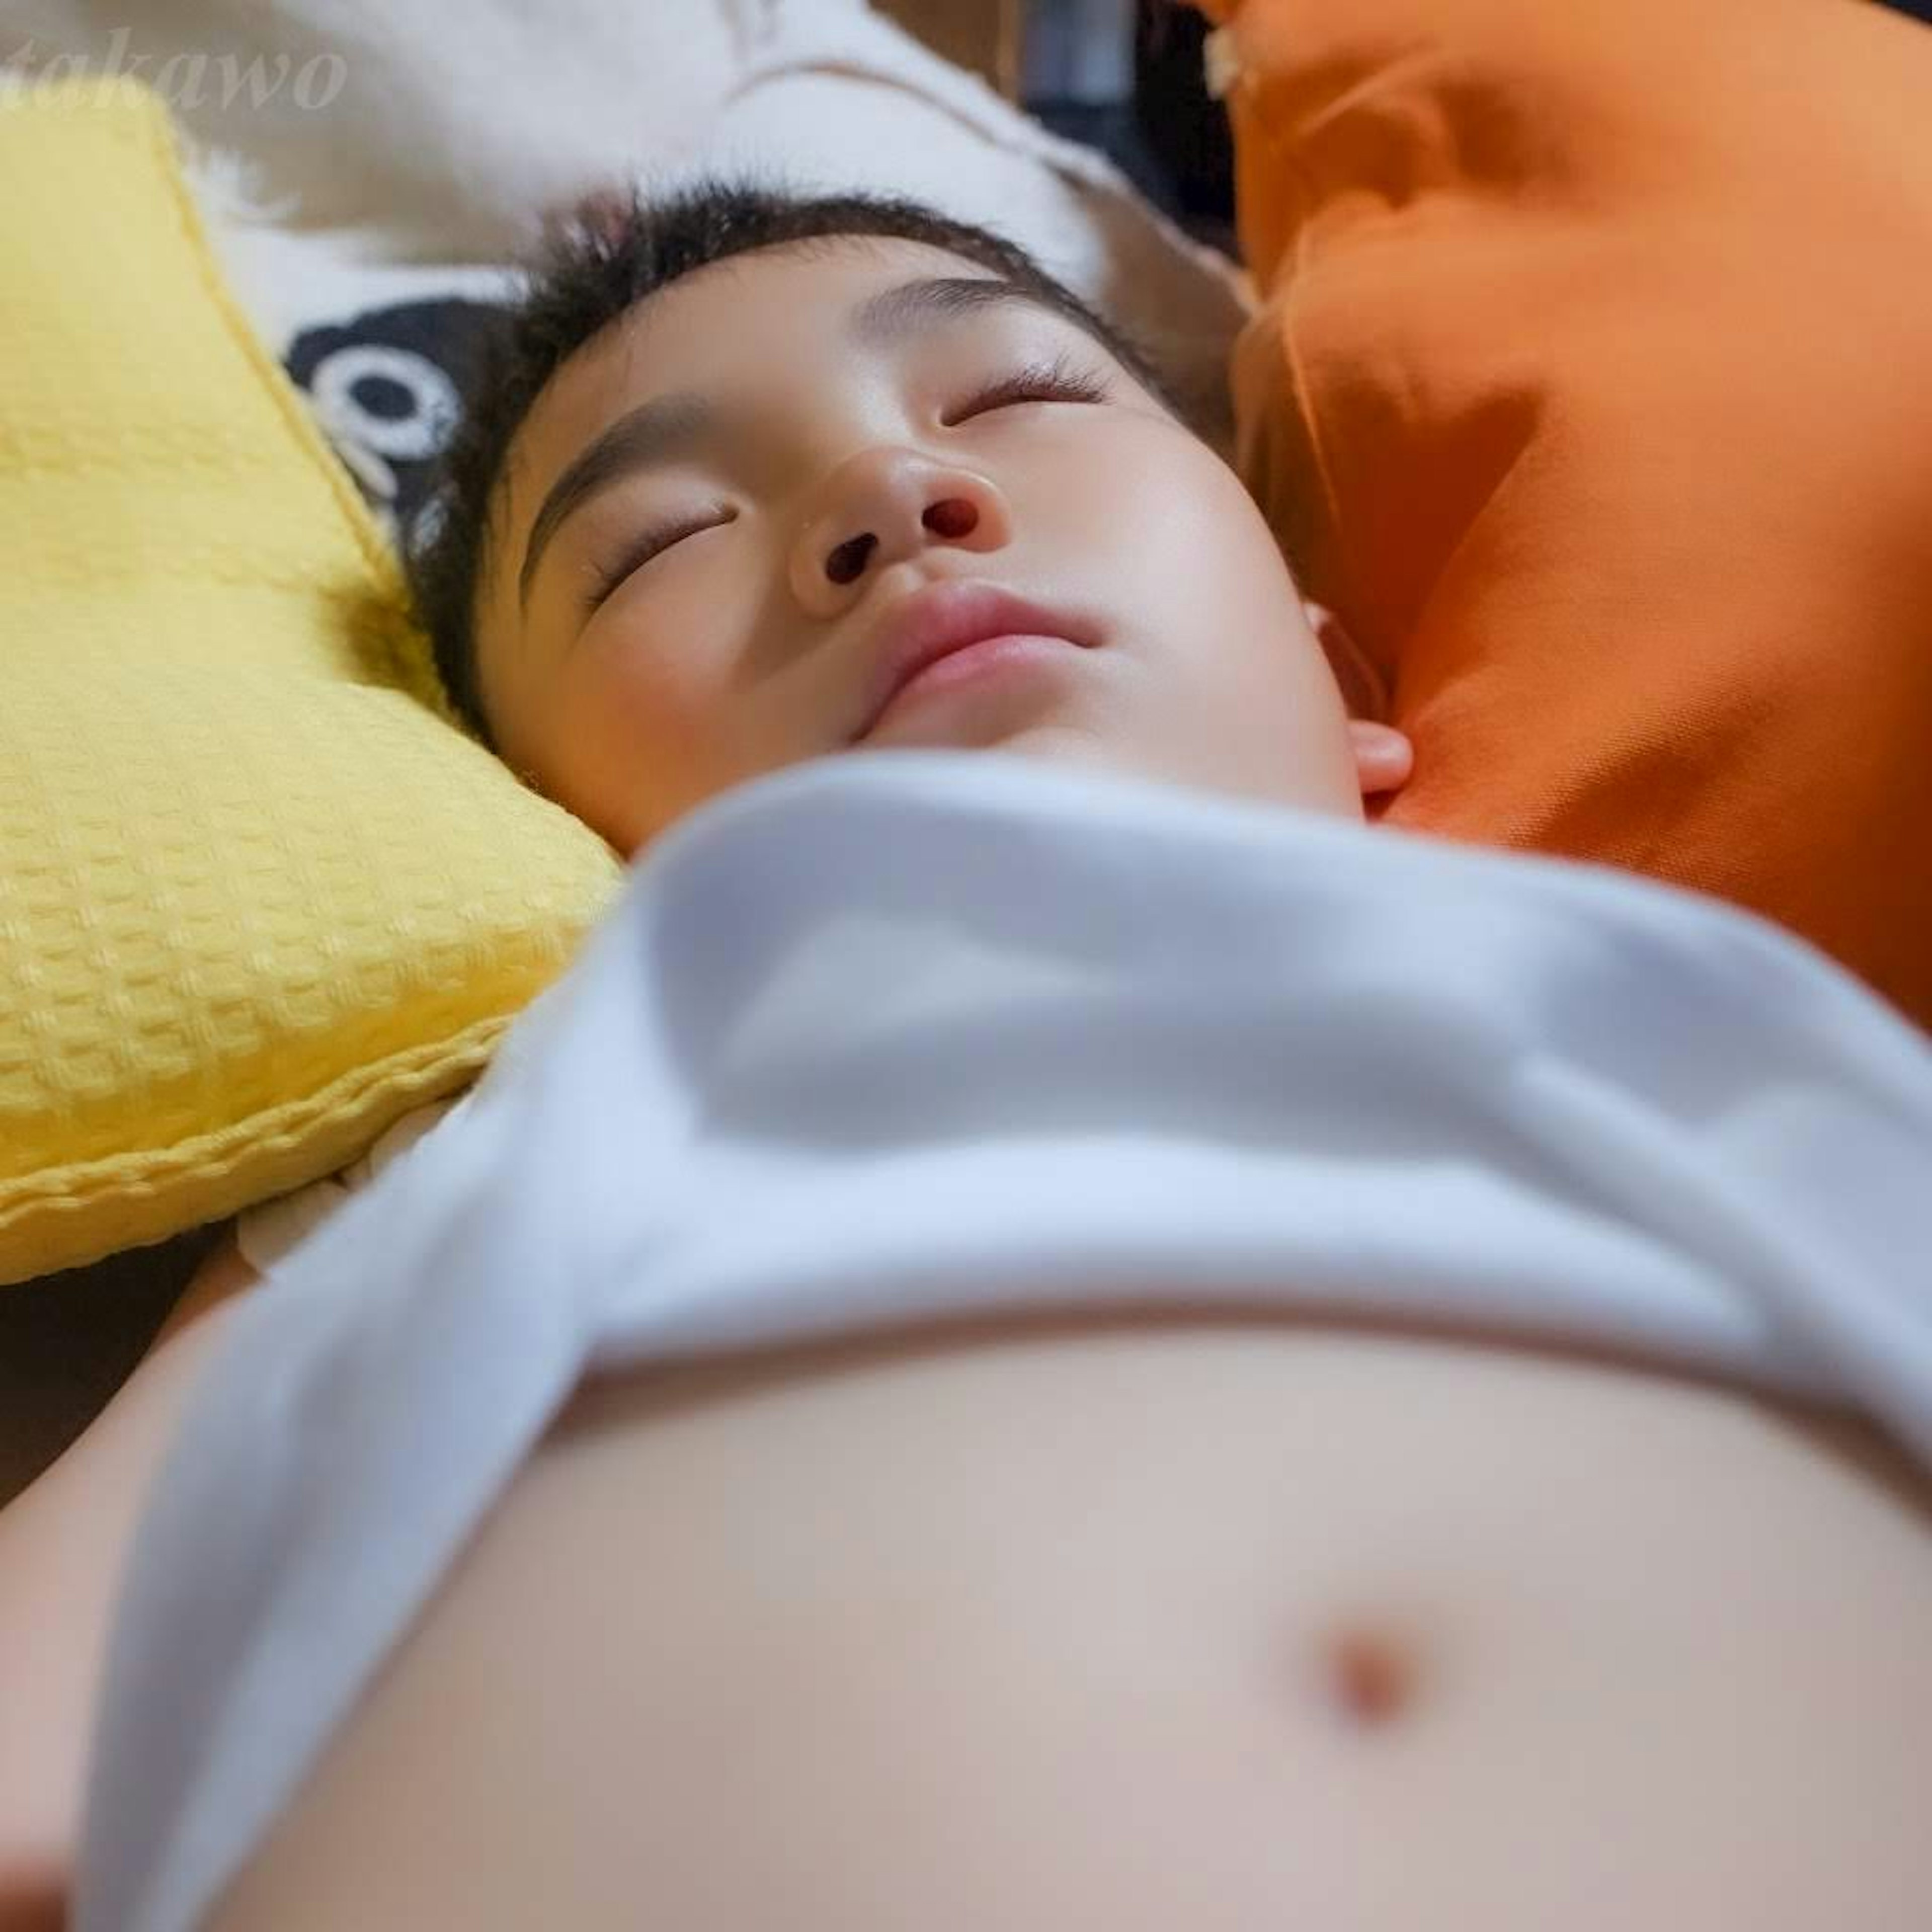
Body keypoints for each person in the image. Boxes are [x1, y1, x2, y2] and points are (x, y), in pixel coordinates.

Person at [8, 185, 1932, 1932]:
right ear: (549, 827)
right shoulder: (522, 1118)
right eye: (657, 541)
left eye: (1012, 397)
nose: (889, 494)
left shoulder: (1648, 1003)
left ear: (1345, 689)